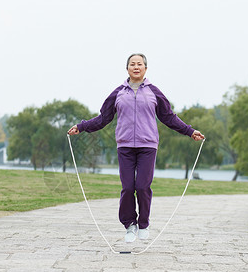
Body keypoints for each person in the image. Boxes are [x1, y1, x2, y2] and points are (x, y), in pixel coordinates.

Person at [68, 53, 205, 243]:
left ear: (145, 69)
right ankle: (129, 224)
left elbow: (169, 117)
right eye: (132, 64)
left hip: (148, 146)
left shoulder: (154, 92)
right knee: (127, 187)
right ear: (127, 69)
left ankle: (143, 223)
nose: (136, 67)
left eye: (139, 64)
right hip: (125, 146)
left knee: (142, 186)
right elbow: (103, 118)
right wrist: (81, 127)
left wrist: (190, 131)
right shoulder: (118, 93)